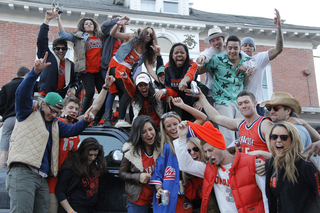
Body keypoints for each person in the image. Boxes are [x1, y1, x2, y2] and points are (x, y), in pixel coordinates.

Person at [6, 52, 95, 213]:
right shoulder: (28, 112)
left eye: (57, 113)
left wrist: (86, 120)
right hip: (23, 171)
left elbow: (73, 129)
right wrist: (35, 72)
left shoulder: (55, 124)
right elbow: (21, 93)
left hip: (42, 177)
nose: (53, 115)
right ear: (44, 104)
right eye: (52, 111)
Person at [47, 71, 114, 213]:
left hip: (71, 181)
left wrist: (105, 88)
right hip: (53, 180)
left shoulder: (76, 124)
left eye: (76, 109)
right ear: (63, 109)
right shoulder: (54, 123)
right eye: (70, 108)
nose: (73, 111)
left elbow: (93, 109)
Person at [174, 121, 269, 213]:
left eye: (211, 150)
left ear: (220, 145)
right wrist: (182, 137)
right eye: (206, 152)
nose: (208, 155)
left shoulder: (251, 163)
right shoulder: (209, 168)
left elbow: (266, 197)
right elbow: (185, 165)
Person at [149, 98, 206, 213]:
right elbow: (158, 173)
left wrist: (183, 105)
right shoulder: (165, 148)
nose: (173, 128)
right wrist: (159, 189)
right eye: (168, 126)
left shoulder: (186, 135)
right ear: (164, 130)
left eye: (175, 124)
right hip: (169, 194)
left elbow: (202, 118)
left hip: (186, 194)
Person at [198, 35, 254, 146]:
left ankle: (243, 160)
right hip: (223, 101)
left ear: (240, 48)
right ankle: (229, 162)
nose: (232, 51)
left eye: (235, 48)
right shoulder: (217, 60)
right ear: (226, 47)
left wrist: (247, 74)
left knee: (242, 133)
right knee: (228, 135)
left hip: (239, 101)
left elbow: (246, 83)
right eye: (230, 48)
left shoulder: (246, 61)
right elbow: (198, 70)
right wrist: (200, 59)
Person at [187, 88, 273, 158]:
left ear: (255, 103)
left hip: (261, 171)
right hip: (247, 170)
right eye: (240, 104)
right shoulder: (240, 123)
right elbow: (216, 117)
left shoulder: (264, 124)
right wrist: (202, 97)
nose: (243, 106)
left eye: (246, 102)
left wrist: (259, 154)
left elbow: (275, 154)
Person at [108, 16, 159, 127]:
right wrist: (118, 23)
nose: (148, 36)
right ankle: (120, 120)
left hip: (126, 72)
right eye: (147, 33)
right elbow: (113, 34)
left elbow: (150, 70)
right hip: (117, 66)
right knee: (129, 92)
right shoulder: (132, 37)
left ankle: (131, 122)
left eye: (151, 35)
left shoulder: (146, 53)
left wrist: (160, 81)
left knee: (131, 95)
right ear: (143, 33)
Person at [265, 121, 320, 212]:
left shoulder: (305, 164)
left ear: (293, 140)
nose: (278, 140)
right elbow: (272, 201)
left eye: (283, 137)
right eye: (274, 137)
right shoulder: (270, 163)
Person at [58, 14, 104, 119]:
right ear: (83, 26)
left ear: (94, 26)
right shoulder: (78, 37)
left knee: (103, 94)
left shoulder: (100, 37)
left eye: (91, 23)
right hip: (86, 70)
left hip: (99, 70)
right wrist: (58, 18)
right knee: (90, 92)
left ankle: (97, 118)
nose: (89, 25)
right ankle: (82, 114)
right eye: (86, 24)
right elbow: (63, 35)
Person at [241, 9, 283, 116]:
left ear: (254, 49)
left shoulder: (258, 59)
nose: (247, 48)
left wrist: (278, 28)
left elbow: (278, 49)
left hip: (257, 102)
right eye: (245, 45)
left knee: (259, 130)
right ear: (240, 48)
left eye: (250, 46)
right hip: (240, 103)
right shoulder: (235, 62)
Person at [119, 115, 161, 213]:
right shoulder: (130, 151)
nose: (149, 134)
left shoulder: (161, 148)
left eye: (150, 129)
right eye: (143, 132)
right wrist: (138, 177)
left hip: (157, 200)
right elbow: (122, 173)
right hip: (138, 202)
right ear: (138, 134)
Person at [55, 137, 106, 213]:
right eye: (90, 155)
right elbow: (59, 191)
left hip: (91, 207)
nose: (92, 158)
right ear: (83, 153)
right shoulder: (71, 166)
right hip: (76, 207)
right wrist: (71, 211)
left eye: (95, 155)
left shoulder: (93, 163)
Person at [37, 9, 78, 98]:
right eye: (58, 48)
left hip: (60, 97)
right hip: (45, 94)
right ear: (54, 49)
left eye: (63, 48)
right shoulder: (48, 57)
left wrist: (73, 88)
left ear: (66, 50)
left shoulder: (70, 64)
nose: (60, 51)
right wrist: (46, 21)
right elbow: (41, 41)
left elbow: (75, 80)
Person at [0, 67, 30, 168]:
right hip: (23, 120)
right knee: (20, 150)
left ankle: (1, 177)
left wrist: (5, 115)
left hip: (8, 119)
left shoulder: (5, 87)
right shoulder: (28, 84)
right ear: (26, 74)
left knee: (4, 151)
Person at [100, 15, 127, 127]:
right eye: (117, 20)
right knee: (111, 91)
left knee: (123, 92)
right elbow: (103, 26)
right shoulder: (109, 35)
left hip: (119, 69)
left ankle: (120, 119)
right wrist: (118, 21)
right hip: (108, 67)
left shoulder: (124, 38)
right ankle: (107, 119)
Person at [163, 43, 198, 121]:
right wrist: (169, 94)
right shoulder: (167, 67)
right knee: (177, 122)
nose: (179, 55)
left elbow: (191, 73)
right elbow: (167, 85)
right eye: (176, 53)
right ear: (172, 56)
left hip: (191, 103)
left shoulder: (192, 64)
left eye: (182, 53)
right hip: (176, 102)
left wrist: (184, 81)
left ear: (186, 55)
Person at [196, 26, 228, 105]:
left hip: (226, 93)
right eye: (213, 40)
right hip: (211, 93)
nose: (216, 42)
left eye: (218, 39)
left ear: (223, 39)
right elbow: (206, 55)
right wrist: (201, 58)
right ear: (210, 43)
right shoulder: (210, 52)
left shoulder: (229, 52)